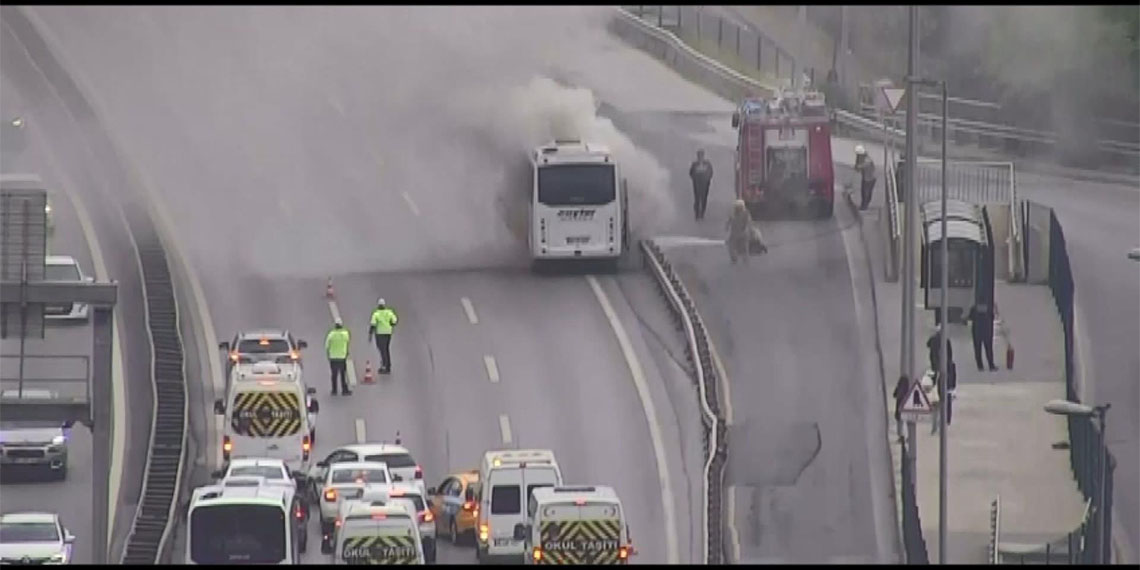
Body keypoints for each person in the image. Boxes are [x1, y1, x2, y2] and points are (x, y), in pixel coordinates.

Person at [725, 199, 764, 264]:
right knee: (744, 248)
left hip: (736, 234)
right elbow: (749, 223)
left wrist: (727, 227)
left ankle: (735, 257)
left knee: (732, 246)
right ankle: (744, 259)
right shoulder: (746, 213)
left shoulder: (734, 213)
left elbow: (729, 221)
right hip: (743, 234)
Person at [368, 298, 399, 374]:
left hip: (380, 334)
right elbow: (394, 321)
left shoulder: (376, 314)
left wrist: (370, 334)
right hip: (388, 333)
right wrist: (390, 325)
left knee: (382, 350)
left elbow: (373, 325)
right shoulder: (389, 312)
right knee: (386, 349)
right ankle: (388, 365)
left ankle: (385, 366)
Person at [967, 303, 999, 371]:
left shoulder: (974, 307)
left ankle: (980, 366)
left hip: (977, 330)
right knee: (988, 348)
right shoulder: (989, 307)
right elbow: (993, 316)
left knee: (977, 349)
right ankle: (991, 365)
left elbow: (970, 317)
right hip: (986, 329)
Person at [325, 318, 351, 396]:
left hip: (333, 357)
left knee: (334, 374)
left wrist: (328, 355)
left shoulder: (331, 334)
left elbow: (326, 346)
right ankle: (344, 390)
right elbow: (347, 342)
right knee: (343, 374)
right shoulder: (345, 334)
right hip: (342, 357)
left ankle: (334, 390)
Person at [689, 149, 714, 220]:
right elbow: (691, 173)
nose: (700, 157)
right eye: (699, 156)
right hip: (697, 184)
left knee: (704, 199)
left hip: (705, 185)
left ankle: (702, 212)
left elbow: (711, 172)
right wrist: (695, 179)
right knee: (697, 198)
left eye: (701, 156)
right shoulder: (694, 164)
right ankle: (697, 214)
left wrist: (708, 179)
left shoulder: (707, 164)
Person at [854, 145, 877, 210]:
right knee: (864, 192)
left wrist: (858, 162)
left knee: (866, 192)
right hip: (866, 178)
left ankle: (864, 206)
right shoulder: (864, 158)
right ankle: (864, 205)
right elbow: (857, 168)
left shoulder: (867, 160)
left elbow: (858, 167)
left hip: (870, 179)